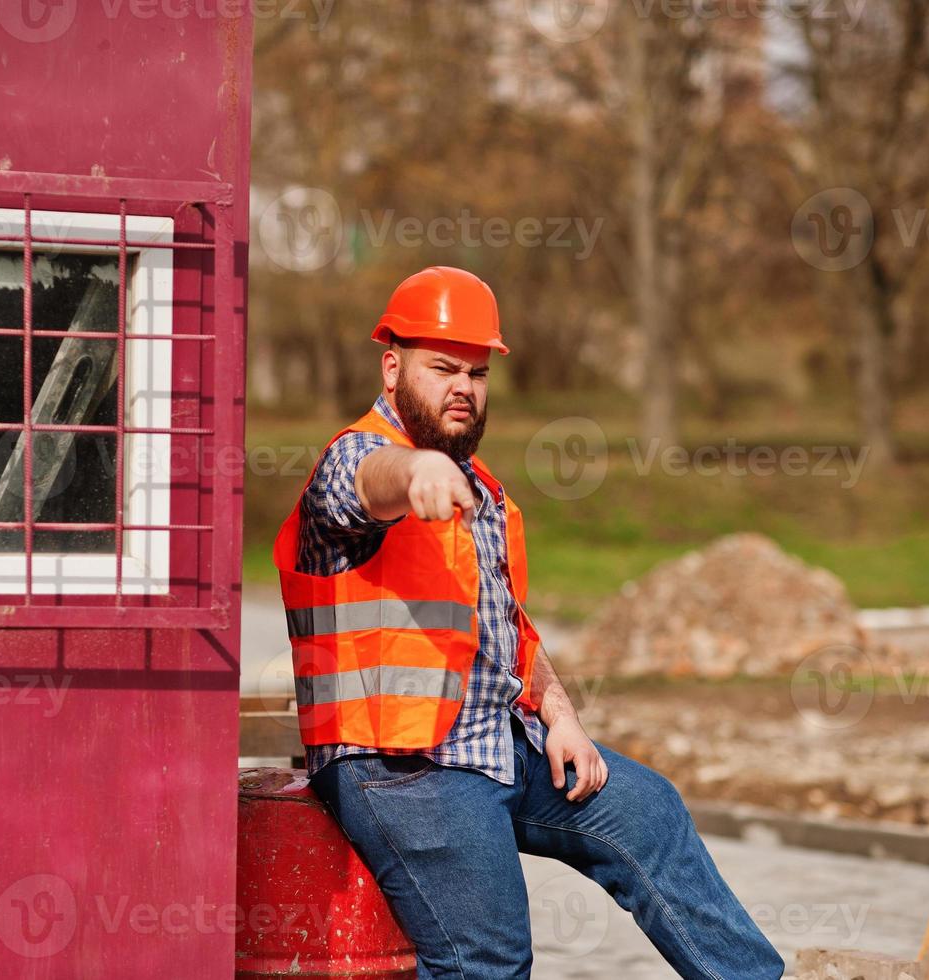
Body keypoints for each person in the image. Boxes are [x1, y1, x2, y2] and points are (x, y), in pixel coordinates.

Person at [271, 266, 785, 979]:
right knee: (487, 960)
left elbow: (502, 626)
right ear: (392, 368)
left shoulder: (480, 486)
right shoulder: (357, 458)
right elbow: (364, 482)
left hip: (494, 742)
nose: (462, 387)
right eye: (441, 368)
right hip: (400, 767)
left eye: (476, 373)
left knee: (647, 816)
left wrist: (558, 713)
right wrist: (412, 471)